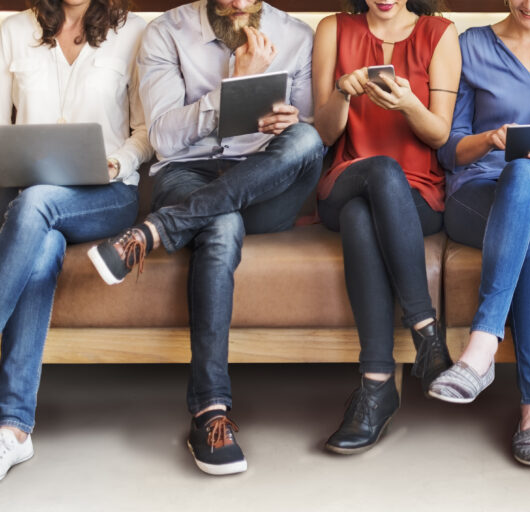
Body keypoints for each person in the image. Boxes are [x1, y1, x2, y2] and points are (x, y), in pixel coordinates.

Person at [87, 0, 324, 476]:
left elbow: (310, 129)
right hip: (188, 173)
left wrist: (290, 123)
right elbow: (163, 138)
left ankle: (157, 229)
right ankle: (210, 413)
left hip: (265, 182)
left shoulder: (298, 35)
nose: (238, 4)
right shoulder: (166, 33)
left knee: (307, 141)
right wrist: (234, 86)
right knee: (219, 226)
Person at [429, 0, 530, 466]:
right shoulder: (470, 45)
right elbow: (449, 150)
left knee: (523, 178)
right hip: (478, 192)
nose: (529, 2)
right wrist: (490, 139)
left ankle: (480, 349)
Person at [0, 0, 151, 481]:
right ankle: (14, 431)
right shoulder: (13, 31)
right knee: (40, 244)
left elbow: (146, 132)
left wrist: (118, 163)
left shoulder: (133, 32)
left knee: (36, 206)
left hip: (108, 196)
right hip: (30, 200)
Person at [310, 0, 459, 455]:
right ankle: (426, 330)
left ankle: (376, 388)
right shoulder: (334, 29)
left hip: (417, 195)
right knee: (378, 174)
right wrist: (342, 92)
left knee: (363, 214)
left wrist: (409, 102)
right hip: (346, 178)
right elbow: (325, 133)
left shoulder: (440, 33)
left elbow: (439, 134)